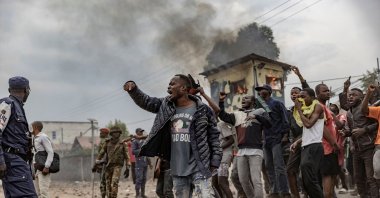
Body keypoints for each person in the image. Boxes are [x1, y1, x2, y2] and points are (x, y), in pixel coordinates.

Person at [124, 74, 222, 198]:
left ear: (183, 88)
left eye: (172, 84)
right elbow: (147, 101)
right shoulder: (165, 105)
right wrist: (133, 89)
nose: (168, 87)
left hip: (200, 166)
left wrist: (215, 160)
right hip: (178, 169)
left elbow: (214, 137)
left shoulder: (203, 109)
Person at [219, 93, 271, 198]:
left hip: (255, 150)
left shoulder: (260, 111)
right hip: (241, 151)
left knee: (256, 180)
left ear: (253, 102)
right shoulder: (237, 114)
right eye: (242, 99)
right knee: (243, 180)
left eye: (246, 98)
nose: (243, 100)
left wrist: (256, 116)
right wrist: (221, 102)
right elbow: (223, 116)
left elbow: (269, 124)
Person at [0, 76, 37, 198]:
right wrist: (1, 161)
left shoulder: (18, 107)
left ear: (10, 89)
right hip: (12, 162)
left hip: (17, 161)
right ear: (26, 90)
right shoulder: (7, 104)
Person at [339, 84, 379, 197]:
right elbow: (349, 129)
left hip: (368, 147)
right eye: (349, 95)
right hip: (356, 150)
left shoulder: (367, 108)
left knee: (371, 178)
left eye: (353, 95)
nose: (350, 97)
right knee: (358, 178)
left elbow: (377, 123)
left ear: (361, 98)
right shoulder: (349, 112)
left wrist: (364, 130)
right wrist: (345, 132)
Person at [255, 84, 290, 198]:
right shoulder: (259, 106)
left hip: (277, 138)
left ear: (269, 91)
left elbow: (285, 119)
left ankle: (285, 192)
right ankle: (274, 191)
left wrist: (285, 135)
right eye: (259, 91)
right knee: (269, 166)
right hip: (266, 140)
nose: (260, 92)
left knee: (279, 166)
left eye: (263, 89)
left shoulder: (277, 103)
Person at [290, 88, 324, 198]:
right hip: (306, 145)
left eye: (303, 96)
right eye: (299, 97)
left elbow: (308, 124)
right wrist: (298, 142)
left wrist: (299, 110)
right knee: (305, 180)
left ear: (313, 97)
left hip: (314, 146)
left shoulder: (317, 106)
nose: (300, 99)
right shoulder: (306, 110)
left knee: (311, 180)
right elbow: (308, 131)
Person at [287, 66, 310, 198]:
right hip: (295, 141)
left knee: (306, 171)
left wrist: (300, 75)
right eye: (292, 93)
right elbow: (289, 128)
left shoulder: (308, 106)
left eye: (296, 92)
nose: (294, 94)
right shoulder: (290, 110)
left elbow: (306, 88)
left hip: (308, 139)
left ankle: (307, 194)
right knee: (290, 170)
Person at [96, 126, 130, 198]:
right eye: (115, 133)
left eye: (118, 132)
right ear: (111, 134)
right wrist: (97, 163)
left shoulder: (123, 144)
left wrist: (128, 167)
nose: (116, 134)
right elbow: (101, 154)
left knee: (114, 183)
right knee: (108, 186)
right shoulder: (107, 143)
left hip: (117, 166)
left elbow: (127, 157)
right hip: (108, 166)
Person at [361, 84, 380, 195]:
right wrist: (368, 93)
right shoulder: (379, 109)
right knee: (377, 171)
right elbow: (364, 110)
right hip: (379, 145)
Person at [329, 104, 349, 194]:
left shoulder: (341, 116)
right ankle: (332, 188)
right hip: (329, 146)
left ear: (337, 108)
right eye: (329, 107)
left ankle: (345, 186)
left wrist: (332, 115)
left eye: (333, 106)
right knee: (331, 167)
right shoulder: (327, 118)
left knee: (340, 167)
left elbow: (340, 125)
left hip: (339, 144)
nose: (331, 108)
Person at [32, 121, 54, 198]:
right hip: (35, 168)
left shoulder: (43, 137)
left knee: (44, 193)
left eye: (32, 127)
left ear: (35, 128)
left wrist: (47, 166)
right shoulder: (34, 138)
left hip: (43, 168)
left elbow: (50, 152)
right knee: (36, 193)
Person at [132, 128, 152, 198]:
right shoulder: (135, 141)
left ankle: (143, 194)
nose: (141, 133)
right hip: (139, 163)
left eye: (142, 132)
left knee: (144, 179)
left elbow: (146, 154)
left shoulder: (144, 141)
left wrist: (150, 163)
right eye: (140, 131)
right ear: (137, 132)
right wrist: (141, 150)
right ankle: (137, 194)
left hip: (145, 163)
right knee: (139, 179)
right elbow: (133, 151)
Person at [92, 127, 110, 198]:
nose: (100, 133)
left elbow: (103, 154)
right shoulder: (109, 140)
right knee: (107, 182)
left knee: (103, 182)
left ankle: (103, 196)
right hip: (107, 163)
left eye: (101, 132)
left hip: (103, 164)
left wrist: (96, 165)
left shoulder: (103, 141)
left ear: (105, 134)